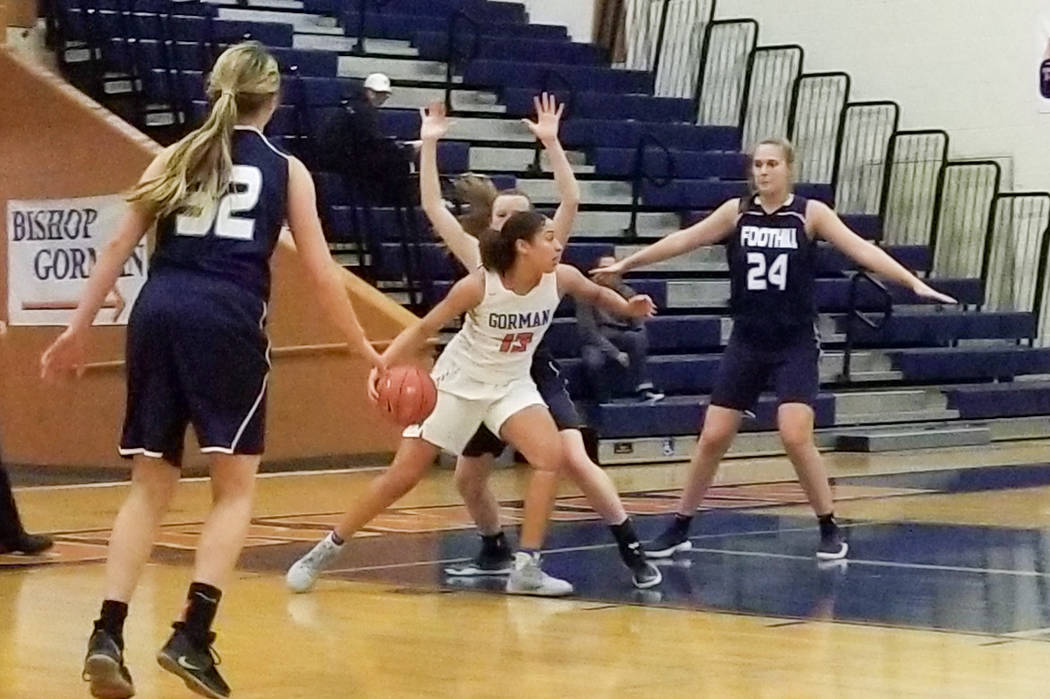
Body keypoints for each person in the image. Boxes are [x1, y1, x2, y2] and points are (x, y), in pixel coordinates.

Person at [40, 42, 383, 699]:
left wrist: (77, 327)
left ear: (213, 90)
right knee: (234, 486)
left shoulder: (173, 156)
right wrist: (364, 349)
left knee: (148, 484)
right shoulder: (286, 169)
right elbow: (320, 272)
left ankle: (106, 633)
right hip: (225, 319)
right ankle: (192, 634)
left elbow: (118, 243)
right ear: (274, 99)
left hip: (157, 311)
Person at [593, 138, 957, 561]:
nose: (763, 171)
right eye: (758, 165)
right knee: (712, 437)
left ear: (789, 169)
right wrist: (626, 264)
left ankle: (828, 525)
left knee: (794, 433)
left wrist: (912, 283)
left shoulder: (809, 214)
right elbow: (684, 240)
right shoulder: (737, 211)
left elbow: (861, 249)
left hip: (794, 341)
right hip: (748, 339)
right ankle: (680, 525)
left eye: (771, 164)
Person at [286, 209, 656, 597]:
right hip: (458, 385)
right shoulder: (479, 286)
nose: (558, 243)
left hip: (511, 384)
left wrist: (628, 308)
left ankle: (527, 567)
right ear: (522, 246)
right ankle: (326, 548)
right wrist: (383, 363)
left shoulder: (561, 277)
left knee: (550, 458)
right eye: (548, 237)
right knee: (403, 476)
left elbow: (597, 293)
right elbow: (425, 326)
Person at [415, 98, 662, 589]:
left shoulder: (547, 251)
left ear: (534, 232)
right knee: (467, 478)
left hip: (532, 371)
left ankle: (631, 547)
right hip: (485, 376)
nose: (505, 222)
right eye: (499, 215)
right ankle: (495, 551)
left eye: (516, 216)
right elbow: (432, 207)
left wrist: (551, 142)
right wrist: (429, 146)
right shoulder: (479, 261)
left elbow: (570, 200)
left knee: (573, 457)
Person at [316, 72, 417, 206]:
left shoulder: (354, 107)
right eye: (378, 93)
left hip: (340, 157)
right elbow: (370, 143)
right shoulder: (362, 111)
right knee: (397, 164)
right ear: (368, 92)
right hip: (342, 161)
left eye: (384, 94)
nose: (382, 97)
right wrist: (405, 149)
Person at [577, 254, 664, 403]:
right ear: (595, 271)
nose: (607, 273)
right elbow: (588, 331)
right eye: (603, 268)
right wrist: (616, 354)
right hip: (597, 339)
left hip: (621, 335)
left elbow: (638, 324)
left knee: (638, 337)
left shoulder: (628, 292)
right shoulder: (585, 293)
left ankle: (644, 387)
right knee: (593, 360)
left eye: (611, 269)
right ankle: (603, 400)